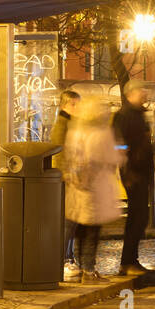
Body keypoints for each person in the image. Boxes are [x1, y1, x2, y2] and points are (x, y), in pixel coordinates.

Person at [62, 95, 124, 283]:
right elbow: (112, 158)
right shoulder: (101, 133)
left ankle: (73, 266)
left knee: (77, 229)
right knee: (92, 231)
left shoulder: (75, 131)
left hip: (77, 187)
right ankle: (88, 270)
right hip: (95, 188)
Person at [113, 79, 155, 276]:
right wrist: (126, 167)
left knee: (140, 217)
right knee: (137, 217)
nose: (144, 93)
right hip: (133, 172)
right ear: (130, 94)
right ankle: (127, 261)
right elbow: (118, 144)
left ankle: (131, 260)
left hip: (141, 171)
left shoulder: (138, 114)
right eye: (141, 91)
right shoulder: (124, 116)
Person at [50, 89, 80, 270]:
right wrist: (66, 173)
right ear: (63, 105)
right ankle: (63, 258)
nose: (76, 108)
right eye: (73, 104)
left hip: (71, 176)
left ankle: (68, 256)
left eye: (78, 104)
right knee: (68, 221)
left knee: (71, 220)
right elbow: (58, 150)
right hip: (67, 178)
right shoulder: (62, 124)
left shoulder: (70, 123)